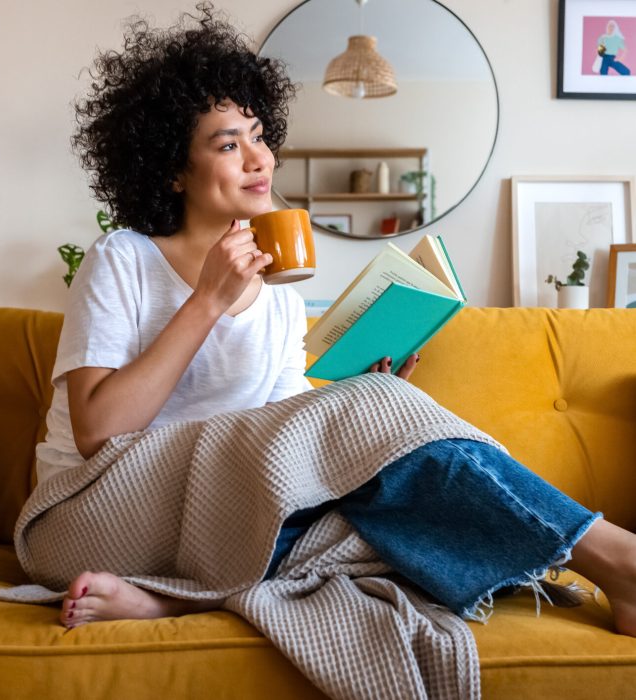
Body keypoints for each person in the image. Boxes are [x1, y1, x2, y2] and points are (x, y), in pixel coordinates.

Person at [34, 4, 636, 637]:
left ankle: (175, 598)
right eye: (227, 144)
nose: (258, 159)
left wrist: (377, 404)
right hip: (95, 514)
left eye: (260, 136)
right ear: (173, 170)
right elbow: (98, 431)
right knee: (384, 494)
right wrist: (207, 301)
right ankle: (618, 558)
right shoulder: (122, 259)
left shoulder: (280, 298)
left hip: (218, 522)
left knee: (391, 504)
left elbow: (287, 458)